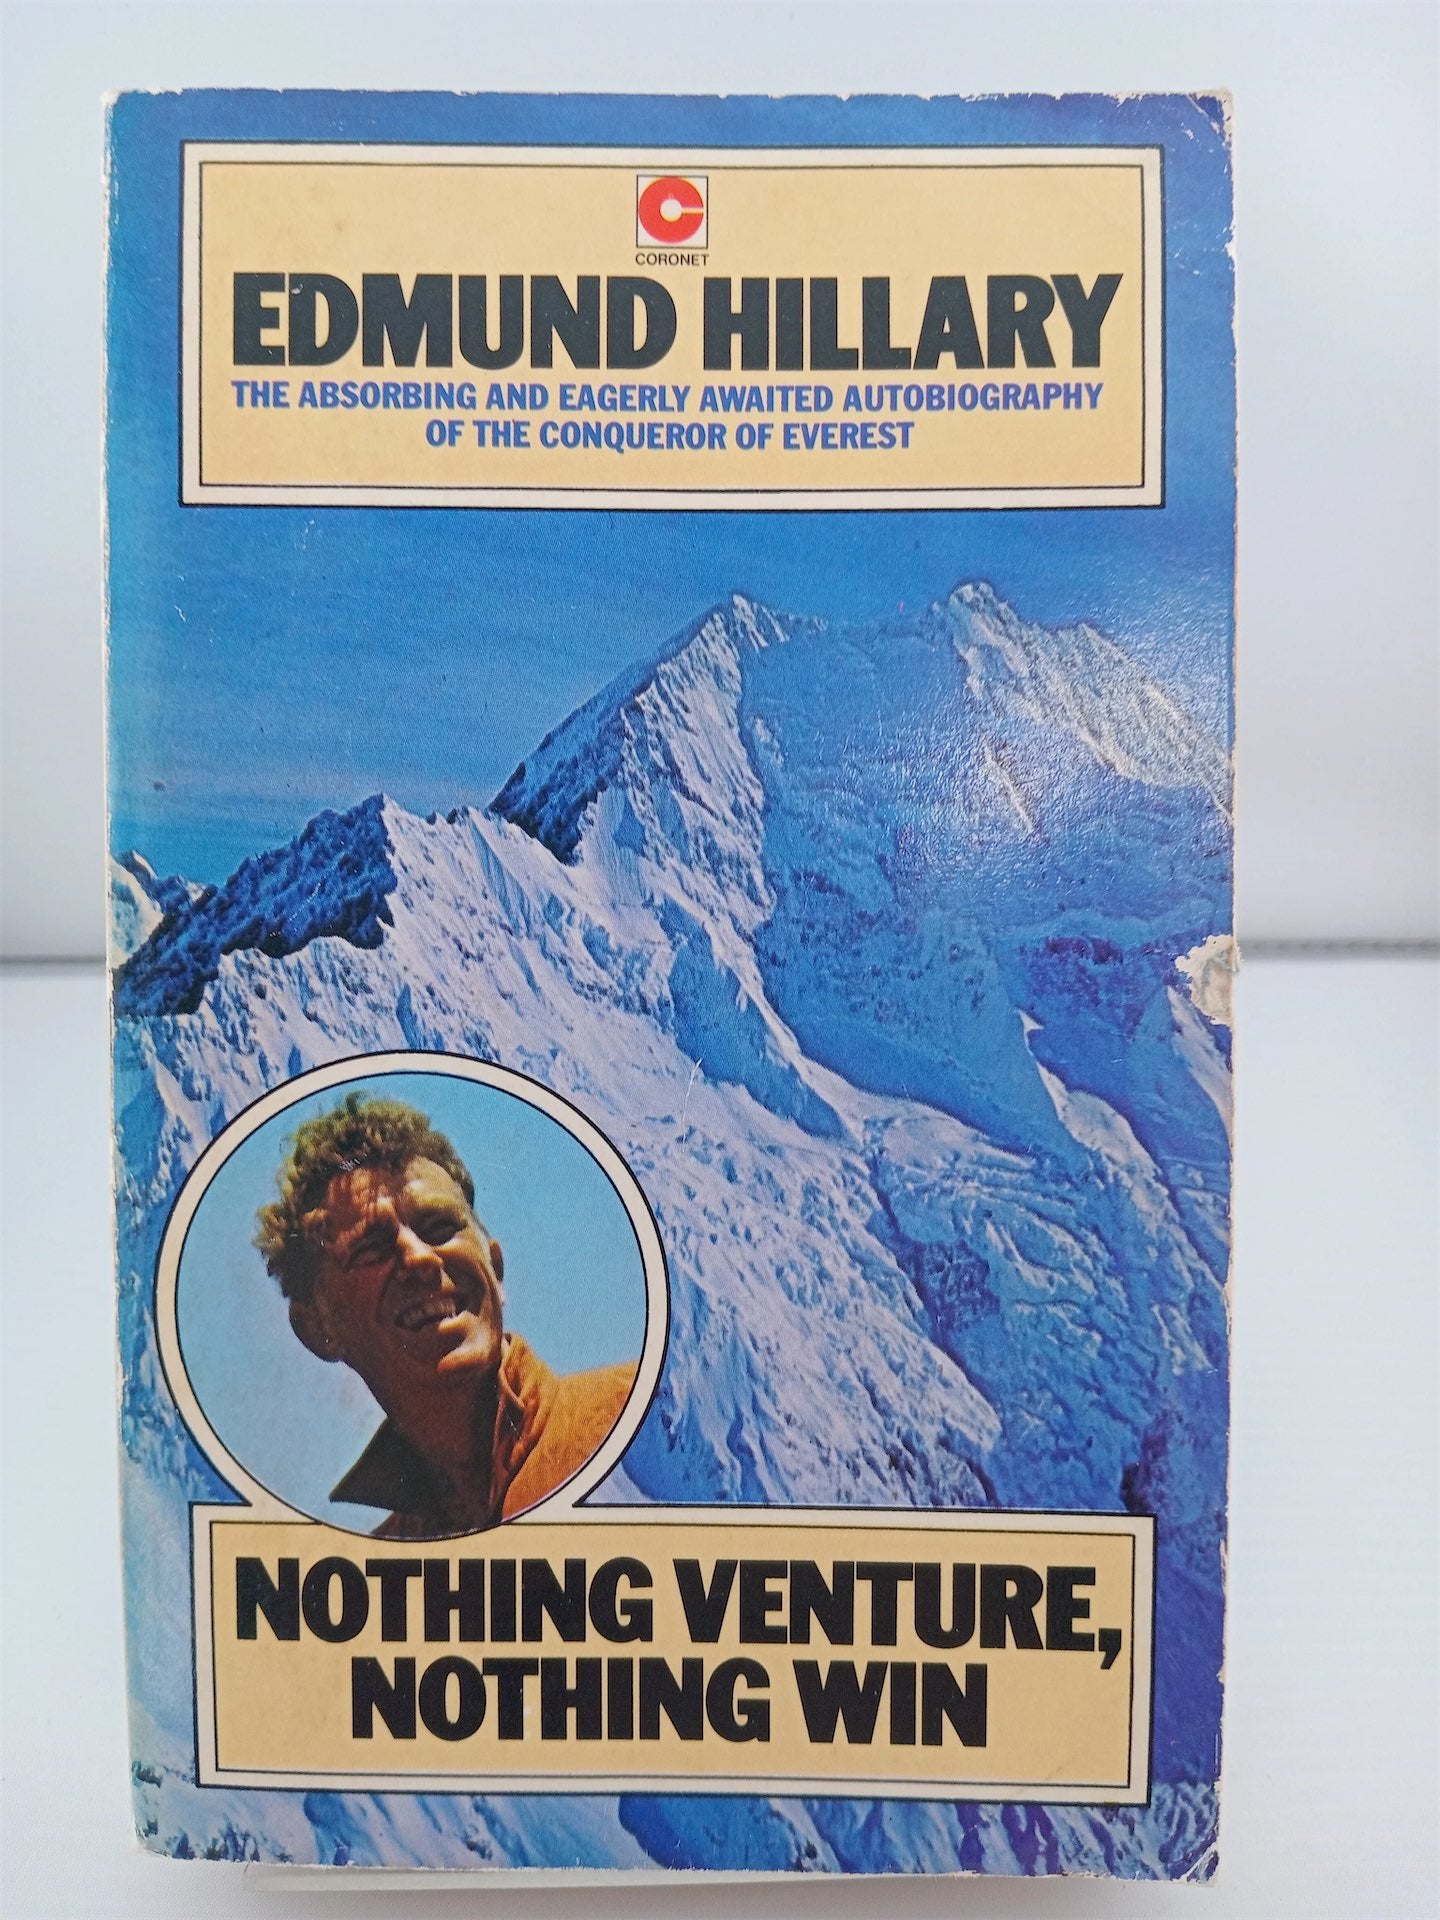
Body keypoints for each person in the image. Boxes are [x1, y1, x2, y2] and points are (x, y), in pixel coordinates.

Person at [255, 1091, 638, 1538]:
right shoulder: (380, 1567)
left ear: (495, 1268)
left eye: (440, 1227)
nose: (419, 1258)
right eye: (371, 1248)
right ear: (318, 1329)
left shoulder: (632, 1417)